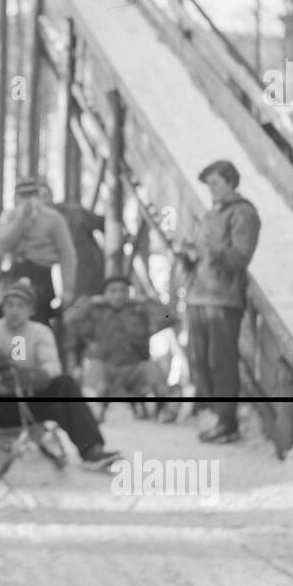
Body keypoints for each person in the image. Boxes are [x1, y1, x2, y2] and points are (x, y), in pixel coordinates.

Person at [0, 278, 119, 475]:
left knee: (65, 384)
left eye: (20, 306)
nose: (14, 310)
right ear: (3, 307)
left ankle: (91, 450)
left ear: (30, 310)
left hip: (28, 404)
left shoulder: (40, 332)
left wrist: (36, 376)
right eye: (10, 305)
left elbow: (53, 366)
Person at [176, 159, 261, 444]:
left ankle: (228, 422)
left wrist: (211, 251)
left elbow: (240, 257)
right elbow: (202, 256)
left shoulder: (244, 213)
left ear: (231, 182)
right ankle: (212, 415)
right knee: (198, 360)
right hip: (199, 296)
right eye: (208, 184)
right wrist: (189, 255)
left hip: (224, 299)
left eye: (215, 183)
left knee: (221, 362)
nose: (211, 189)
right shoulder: (212, 214)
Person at [62, 275, 176, 419]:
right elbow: (68, 317)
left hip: (134, 370)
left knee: (151, 368)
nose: (118, 295)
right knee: (94, 367)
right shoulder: (96, 314)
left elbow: (169, 318)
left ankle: (164, 410)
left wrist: (147, 302)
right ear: (104, 294)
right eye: (112, 291)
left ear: (129, 293)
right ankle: (93, 410)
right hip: (107, 369)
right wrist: (89, 302)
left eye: (123, 291)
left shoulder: (139, 312)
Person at [0, 177, 77, 324]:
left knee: (39, 316)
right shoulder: (9, 217)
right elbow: (3, 246)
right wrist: (20, 221)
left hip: (42, 275)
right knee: (2, 314)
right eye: (23, 196)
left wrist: (68, 289)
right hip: (15, 273)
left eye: (31, 195)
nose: (27, 200)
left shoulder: (53, 218)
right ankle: (15, 347)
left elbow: (67, 254)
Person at [42, 183, 107, 303]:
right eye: (38, 197)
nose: (42, 201)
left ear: (51, 196)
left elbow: (104, 225)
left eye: (45, 195)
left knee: (82, 305)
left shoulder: (73, 212)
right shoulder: (28, 222)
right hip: (47, 279)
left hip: (84, 274)